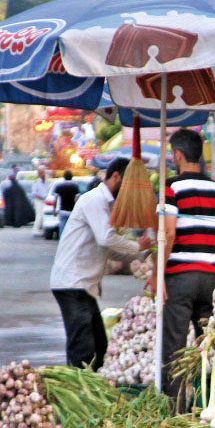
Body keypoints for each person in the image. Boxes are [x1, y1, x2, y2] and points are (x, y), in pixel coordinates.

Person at [149, 128, 215, 398]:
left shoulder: (172, 187)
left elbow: (169, 233)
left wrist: (158, 275)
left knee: (175, 350)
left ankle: (175, 412)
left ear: (177, 155)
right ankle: (209, 406)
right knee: (209, 347)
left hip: (180, 279)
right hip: (209, 280)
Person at [50, 158, 154, 369]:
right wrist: (137, 245)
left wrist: (142, 254)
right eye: (127, 185)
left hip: (82, 286)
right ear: (115, 177)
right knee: (83, 348)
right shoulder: (95, 200)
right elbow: (106, 239)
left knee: (99, 346)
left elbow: (110, 250)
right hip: (72, 283)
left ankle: (92, 387)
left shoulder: (105, 204)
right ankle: (80, 393)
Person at [52, 170, 80, 239]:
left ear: (64, 177)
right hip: (71, 210)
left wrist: (54, 210)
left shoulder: (60, 186)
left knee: (62, 228)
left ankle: (62, 241)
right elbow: (77, 199)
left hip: (62, 210)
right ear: (71, 177)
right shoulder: (75, 186)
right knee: (71, 228)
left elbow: (55, 198)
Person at [30, 166, 52, 235]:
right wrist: (41, 197)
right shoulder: (37, 182)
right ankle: (35, 229)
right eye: (42, 173)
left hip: (45, 200)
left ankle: (43, 229)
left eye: (44, 172)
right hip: (38, 200)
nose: (43, 174)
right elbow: (34, 193)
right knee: (39, 215)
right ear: (39, 173)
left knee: (43, 216)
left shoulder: (46, 182)